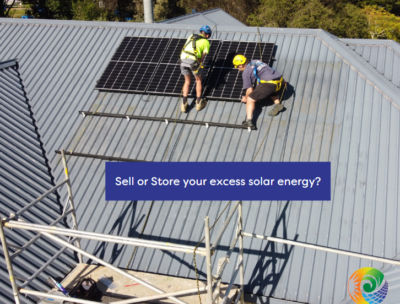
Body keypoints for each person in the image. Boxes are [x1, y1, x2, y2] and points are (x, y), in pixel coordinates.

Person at [232, 55, 285, 128]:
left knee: (250, 99)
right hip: (280, 81)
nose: (238, 69)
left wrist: (246, 98)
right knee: (268, 89)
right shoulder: (255, 61)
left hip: (269, 84)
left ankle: (248, 121)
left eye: (237, 67)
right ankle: (277, 104)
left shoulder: (245, 73)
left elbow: (249, 89)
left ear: (241, 65)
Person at [180, 25, 211, 113]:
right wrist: (199, 63)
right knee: (198, 80)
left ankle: (184, 104)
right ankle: (198, 103)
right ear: (207, 35)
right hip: (193, 61)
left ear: (201, 32)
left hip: (182, 60)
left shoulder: (191, 36)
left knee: (187, 81)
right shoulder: (206, 42)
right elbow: (202, 58)